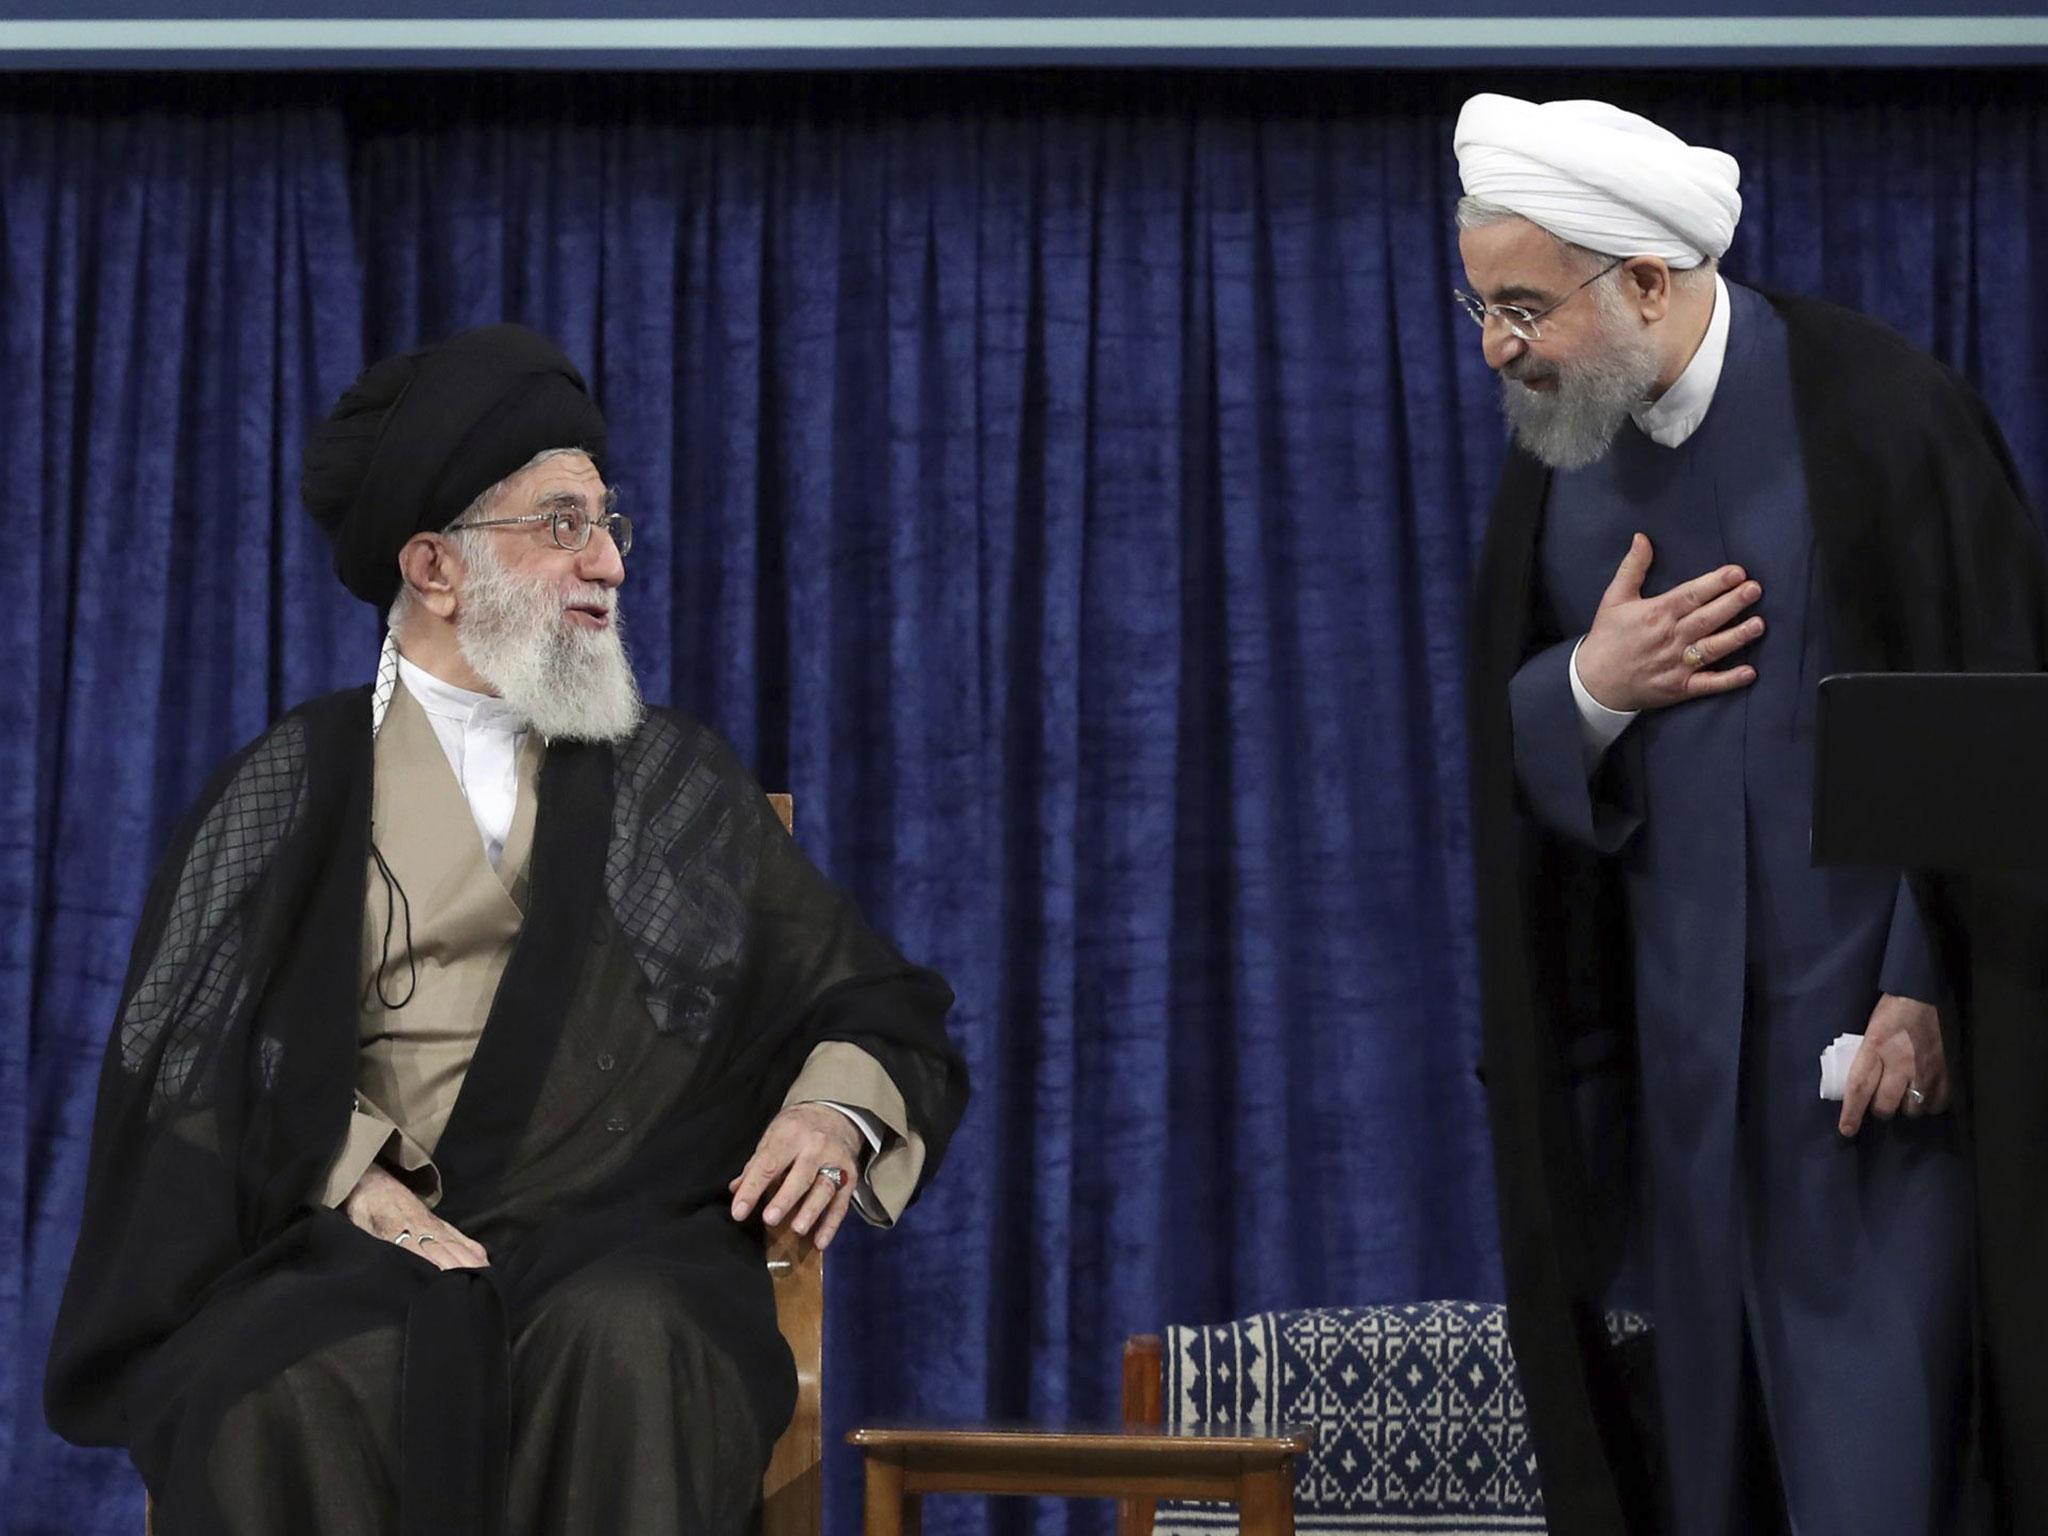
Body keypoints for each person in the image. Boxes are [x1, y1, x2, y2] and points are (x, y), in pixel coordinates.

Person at [44, 323, 969, 1535]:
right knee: (273, 1388)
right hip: (359, 1246)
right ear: (432, 566)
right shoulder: (293, 782)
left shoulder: (668, 784)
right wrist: (349, 1171)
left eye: (607, 525)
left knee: (639, 1344)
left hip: (618, 1235)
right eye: (562, 526)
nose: (609, 566)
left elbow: (864, 996)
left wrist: (828, 1111)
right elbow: (182, 1052)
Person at [1454, 94, 2048, 1535]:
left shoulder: (1880, 412)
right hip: (1682, 1109)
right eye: (1480, 307)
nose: (1498, 347)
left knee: (1878, 1478)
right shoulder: (1561, 456)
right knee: (1706, 1486)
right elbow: (1508, 743)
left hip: (1874, 1099)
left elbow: (1997, 723)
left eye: (1525, 306)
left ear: (1645, 280)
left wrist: (1929, 992)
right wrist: (1591, 685)